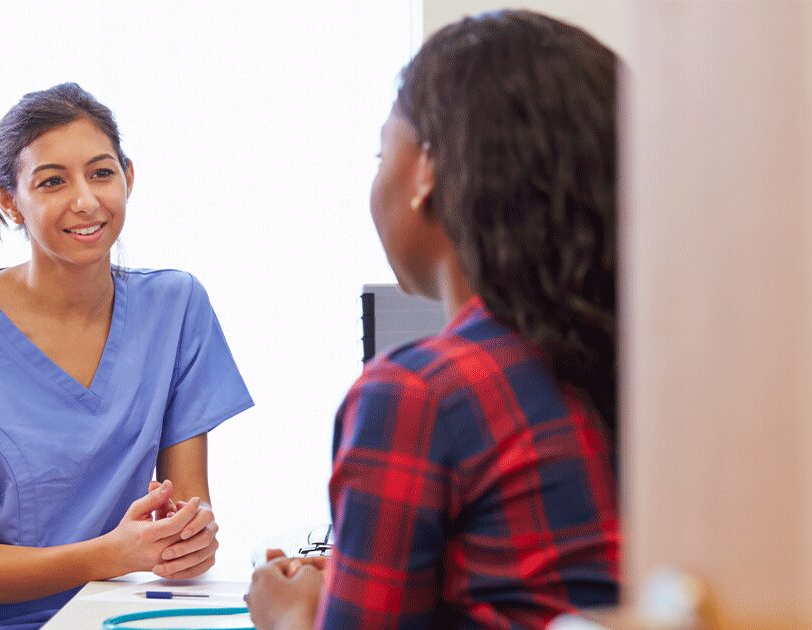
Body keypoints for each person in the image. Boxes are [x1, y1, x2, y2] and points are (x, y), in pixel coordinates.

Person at [246, 10, 620, 629]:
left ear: (425, 169)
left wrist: (293, 617)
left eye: (378, 149)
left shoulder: (420, 394)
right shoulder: (652, 370)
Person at [0, 83, 253, 629]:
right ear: (9, 202)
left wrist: (184, 543)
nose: (85, 200)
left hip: (93, 611)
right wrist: (116, 553)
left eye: (102, 173)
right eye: (53, 181)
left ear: (128, 178)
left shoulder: (176, 307)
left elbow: (184, 507)